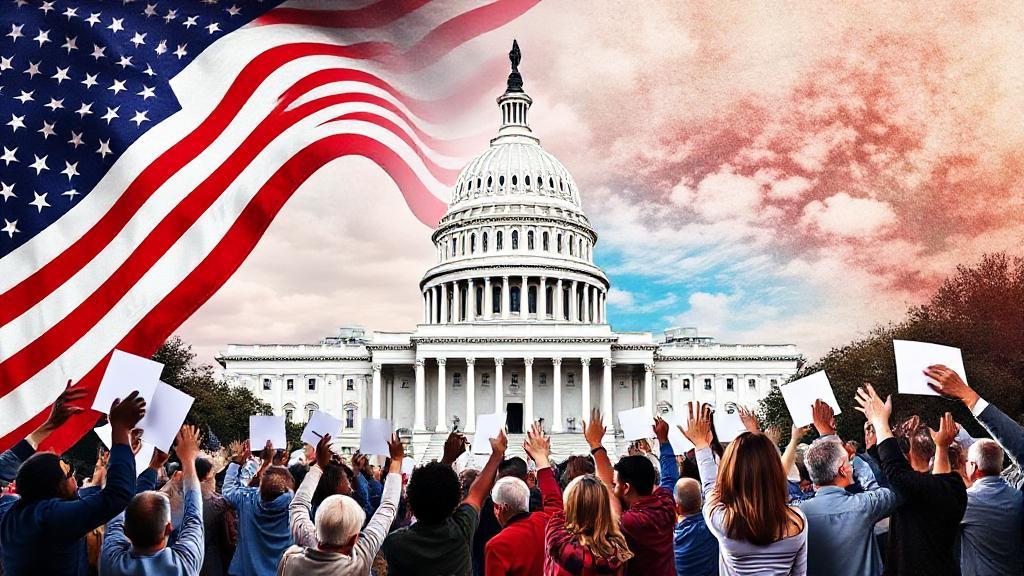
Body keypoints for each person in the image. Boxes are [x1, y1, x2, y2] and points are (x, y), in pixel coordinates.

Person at [0, 389, 146, 576]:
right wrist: (120, 428)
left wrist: (50, 425)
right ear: (56, 488)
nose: (74, 480)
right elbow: (118, 494)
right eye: (70, 474)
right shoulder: (54, 519)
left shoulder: (10, 510)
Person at [682, 402, 808, 575]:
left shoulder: (723, 521)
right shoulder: (797, 520)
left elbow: (711, 487)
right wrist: (755, 433)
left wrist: (701, 445)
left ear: (730, 474)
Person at [854, 382, 966, 576]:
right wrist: (942, 447)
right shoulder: (953, 488)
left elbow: (896, 471)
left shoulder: (915, 487)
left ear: (909, 450)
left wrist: (881, 422)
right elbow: (897, 470)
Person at [926, 365, 1024, 575]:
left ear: (972, 467)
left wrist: (967, 395)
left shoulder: (970, 502)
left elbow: (941, 498)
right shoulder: (1015, 495)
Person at [381, 429, 507, 576]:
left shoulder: (395, 544)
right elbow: (477, 493)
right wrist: (497, 455)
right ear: (456, 504)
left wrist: (447, 458)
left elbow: (469, 493)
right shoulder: (461, 530)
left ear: (410, 506)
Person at [278, 432, 404, 575]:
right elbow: (387, 509)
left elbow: (298, 505)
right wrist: (396, 461)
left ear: (317, 527)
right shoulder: (360, 559)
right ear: (353, 540)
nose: (350, 488)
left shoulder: (292, 560)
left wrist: (319, 465)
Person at [798, 401, 899, 576]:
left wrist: (827, 435)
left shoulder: (797, 514)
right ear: (843, 470)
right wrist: (881, 423)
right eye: (849, 462)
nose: (853, 465)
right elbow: (894, 487)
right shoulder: (865, 506)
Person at [101, 425, 206, 575]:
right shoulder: (184, 563)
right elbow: (194, 516)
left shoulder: (112, 562)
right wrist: (189, 459)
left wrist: (150, 464)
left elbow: (113, 501)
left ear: (125, 531)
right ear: (168, 528)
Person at [585, 410, 675, 575]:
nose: (614, 486)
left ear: (626, 487)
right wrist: (663, 440)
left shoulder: (630, 522)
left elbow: (605, 485)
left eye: (616, 483)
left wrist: (595, 444)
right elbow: (669, 477)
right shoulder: (666, 503)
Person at [545, 415, 633, 575]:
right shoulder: (618, 551)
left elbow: (555, 510)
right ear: (604, 505)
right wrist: (596, 445)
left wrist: (541, 459)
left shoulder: (559, 543)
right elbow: (607, 491)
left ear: (570, 508)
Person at [484, 423, 562, 576]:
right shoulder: (549, 523)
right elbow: (554, 499)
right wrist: (541, 458)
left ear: (500, 507)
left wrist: (495, 456)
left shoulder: (497, 546)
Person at [222, 440, 294, 576]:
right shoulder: (294, 506)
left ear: (260, 486)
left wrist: (237, 462)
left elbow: (228, 490)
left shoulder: (247, 499)